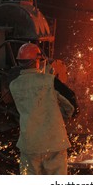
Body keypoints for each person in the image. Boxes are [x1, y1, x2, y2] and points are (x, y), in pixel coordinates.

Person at [9, 43, 76, 175]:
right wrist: (65, 114)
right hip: (54, 144)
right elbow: (71, 103)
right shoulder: (50, 81)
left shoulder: (14, 85)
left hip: (29, 145)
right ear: (37, 61)